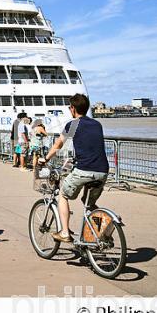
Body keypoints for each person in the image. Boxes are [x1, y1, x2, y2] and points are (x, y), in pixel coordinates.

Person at [39, 93, 109, 243]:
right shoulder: (97, 124)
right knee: (88, 202)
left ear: (73, 109)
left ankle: (65, 232)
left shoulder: (73, 125)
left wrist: (45, 159)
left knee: (63, 195)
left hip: (85, 169)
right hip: (102, 171)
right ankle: (100, 232)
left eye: (70, 107)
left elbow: (58, 144)